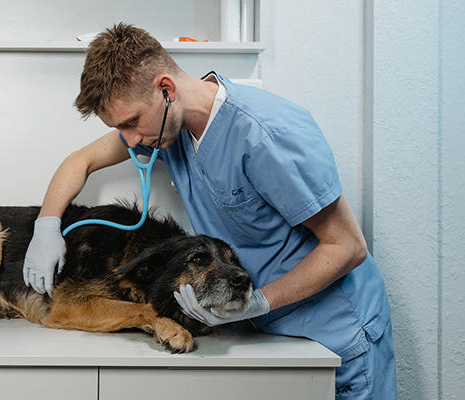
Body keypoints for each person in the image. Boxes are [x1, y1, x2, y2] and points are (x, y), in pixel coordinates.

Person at [22, 23, 396, 399]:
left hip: (334, 332)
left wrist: (259, 302)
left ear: (165, 89)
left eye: (132, 123)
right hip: (266, 334)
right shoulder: (170, 128)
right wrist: (47, 224)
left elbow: (347, 246)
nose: (131, 140)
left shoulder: (265, 135)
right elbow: (80, 161)